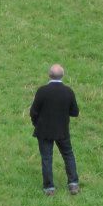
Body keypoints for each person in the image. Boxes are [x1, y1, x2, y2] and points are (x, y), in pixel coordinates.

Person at [30, 64, 80, 196]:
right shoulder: (68, 91)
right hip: (62, 130)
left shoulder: (42, 91)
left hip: (44, 130)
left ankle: (49, 188)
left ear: (49, 75)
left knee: (46, 158)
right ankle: (73, 184)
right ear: (62, 75)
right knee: (68, 155)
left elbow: (33, 111)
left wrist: (37, 124)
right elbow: (75, 112)